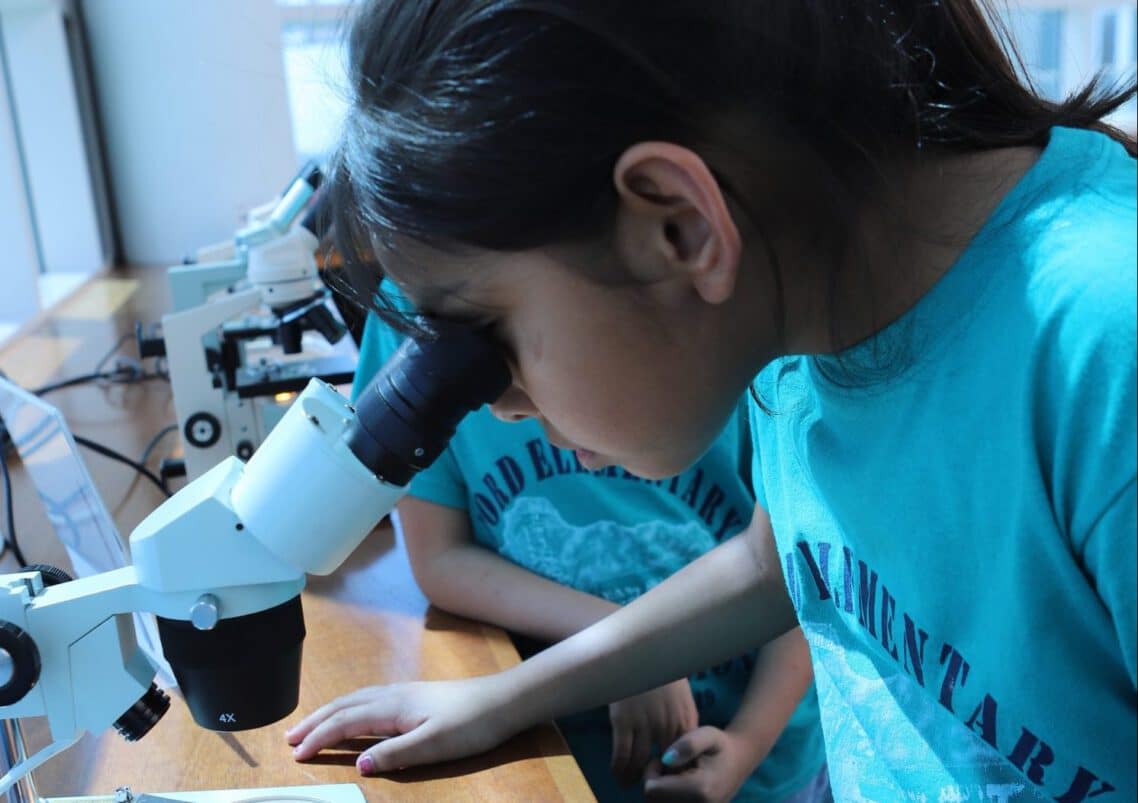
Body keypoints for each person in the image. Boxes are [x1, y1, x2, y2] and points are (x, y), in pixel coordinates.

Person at [287, 1, 1138, 800]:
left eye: (489, 341)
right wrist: (506, 696)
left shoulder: (1103, 348)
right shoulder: (797, 298)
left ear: (680, 228)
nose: (498, 409)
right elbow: (776, 566)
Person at [349, 289, 827, 801]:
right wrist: (630, 655)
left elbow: (792, 572)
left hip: (761, 756)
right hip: (560, 745)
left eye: (502, 342)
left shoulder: (776, 355)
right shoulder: (409, 300)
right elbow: (439, 556)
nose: (504, 408)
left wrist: (745, 744)